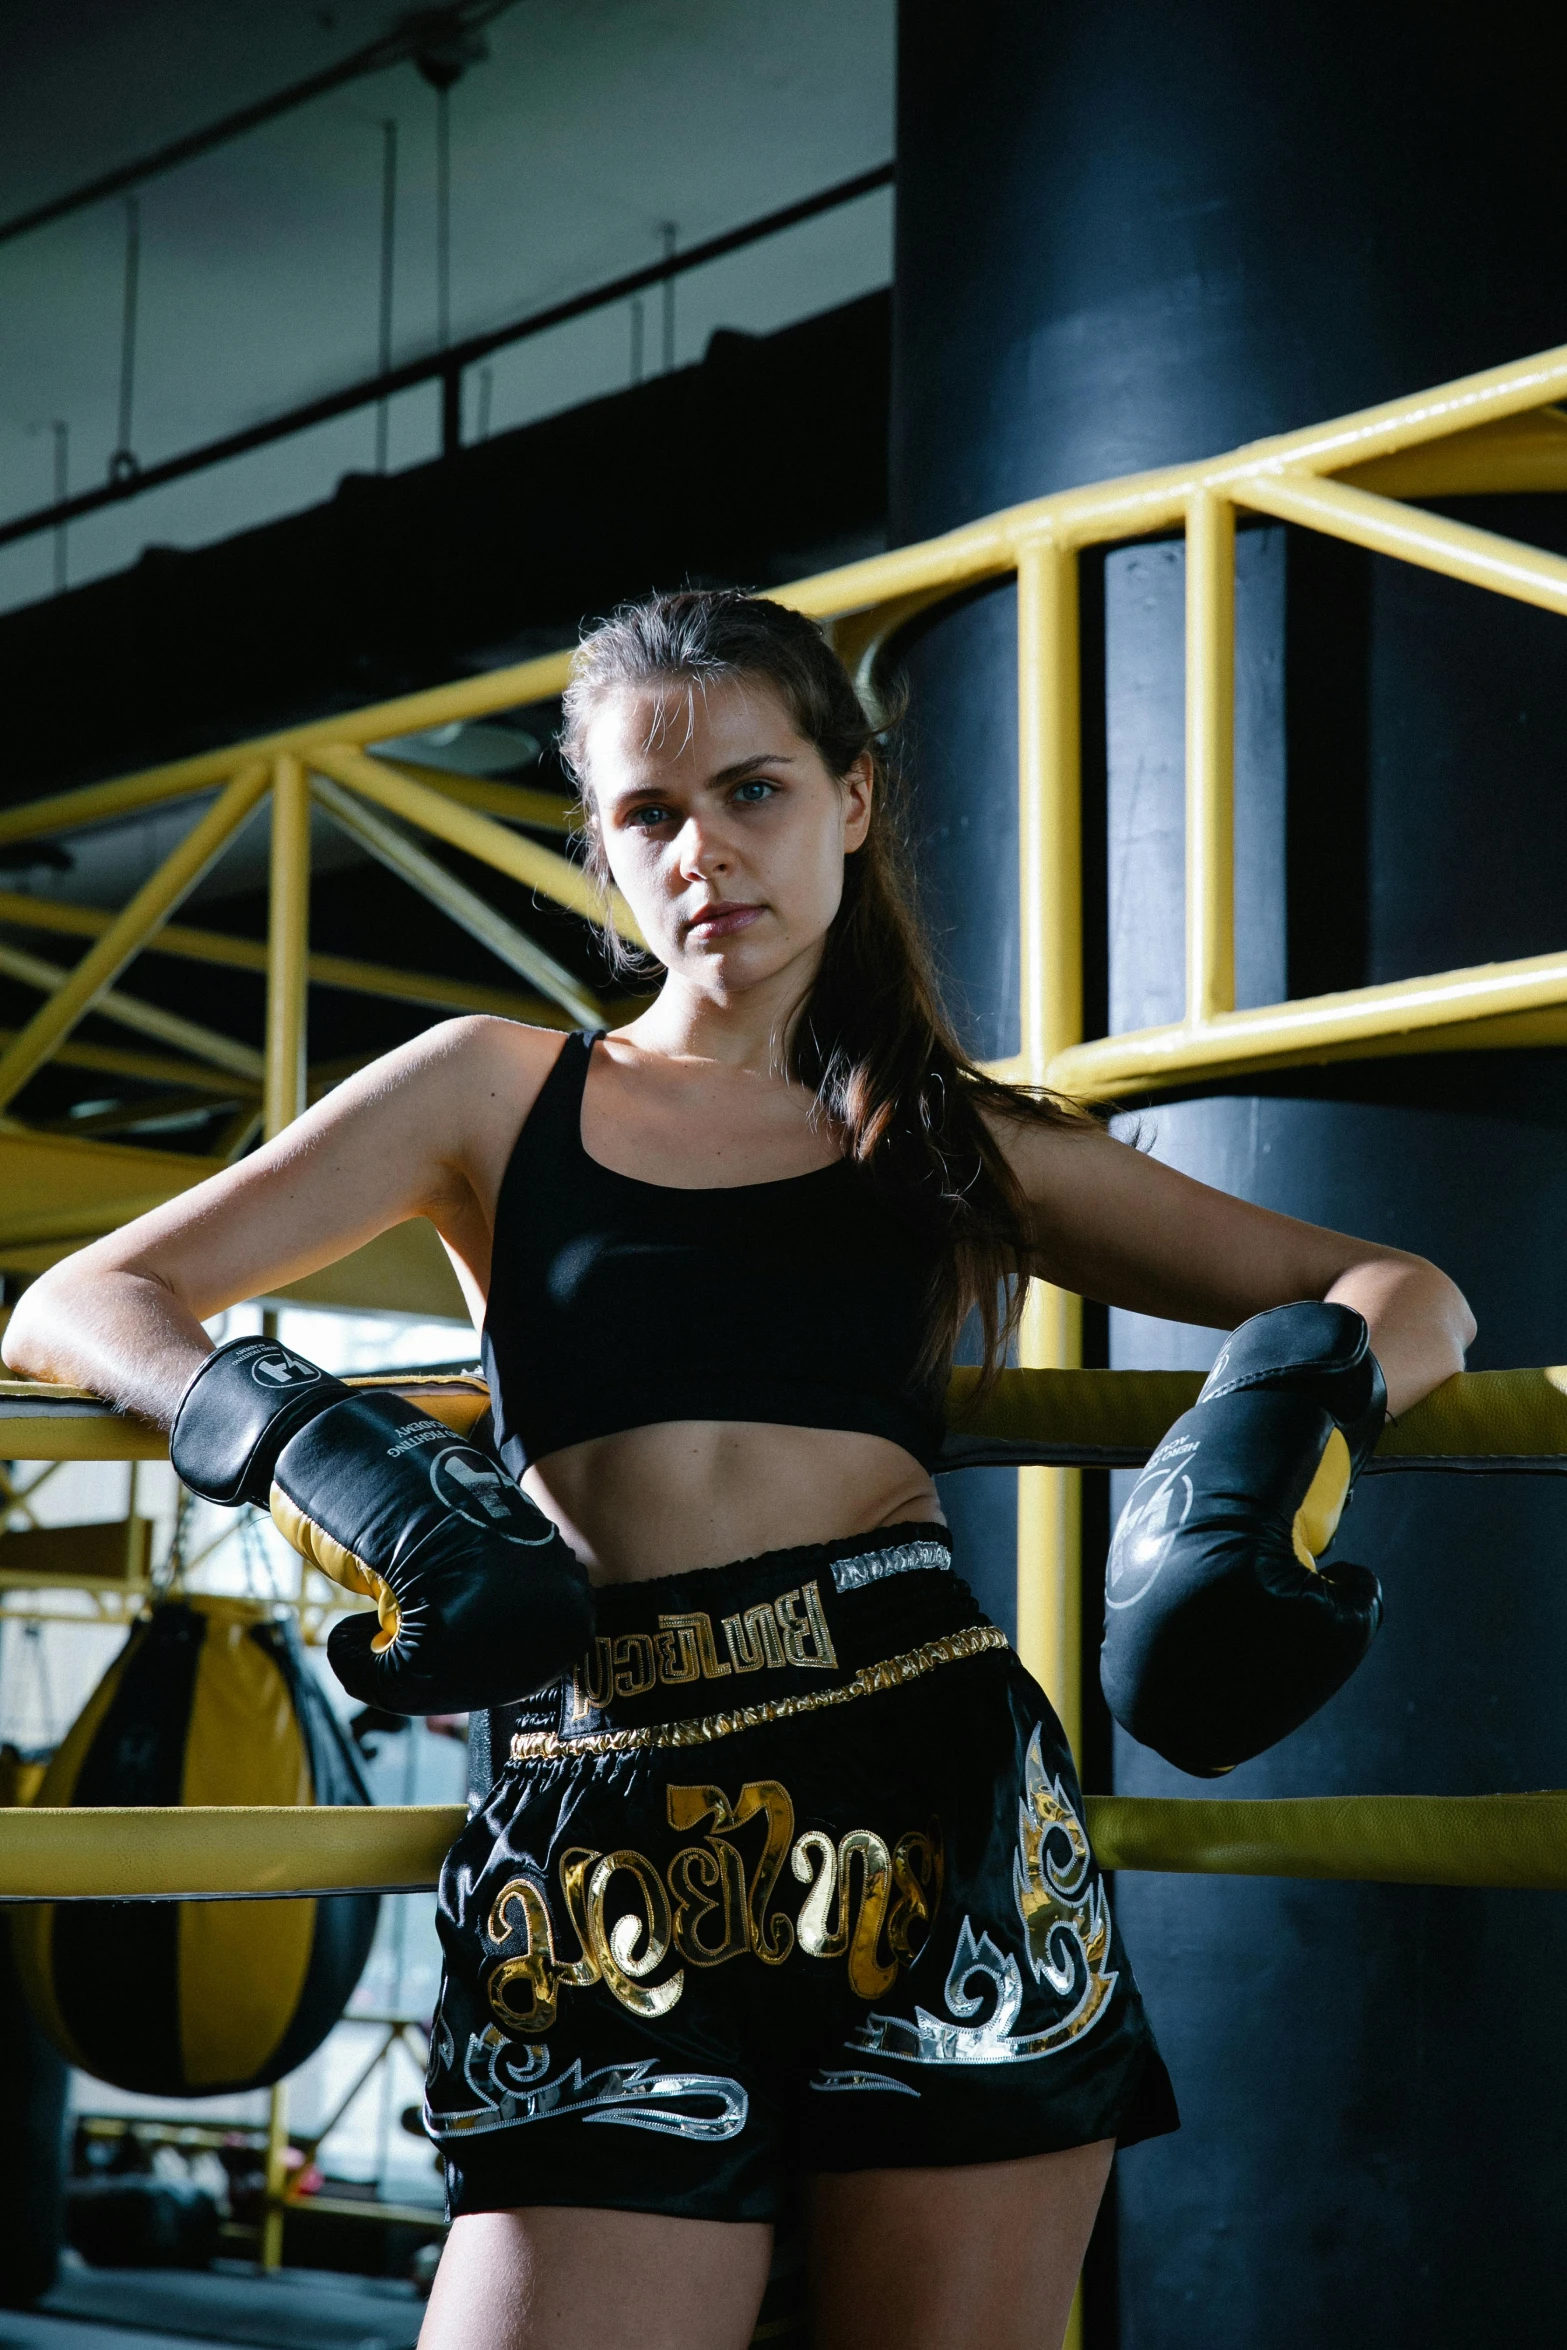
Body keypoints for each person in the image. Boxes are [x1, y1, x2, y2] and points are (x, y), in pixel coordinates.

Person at [2, 590, 1474, 2350]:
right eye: (650, 814)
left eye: (755, 792)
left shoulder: (953, 1136)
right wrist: (332, 1453)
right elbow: (84, 1296)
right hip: (603, 1809)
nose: (704, 851)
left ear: (852, 796)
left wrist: (1250, 1457)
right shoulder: (495, 1092)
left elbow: (1399, 1291)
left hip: (932, 1806)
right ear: (603, 843)